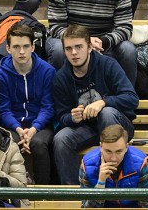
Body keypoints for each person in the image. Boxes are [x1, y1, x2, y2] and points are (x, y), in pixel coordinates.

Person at [52, 25, 139, 186]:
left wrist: (103, 102)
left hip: (119, 126)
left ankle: (115, 184)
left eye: (79, 47)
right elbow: (61, 117)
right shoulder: (60, 78)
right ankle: (73, 196)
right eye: (69, 49)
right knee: (60, 139)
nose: (74, 53)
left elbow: (132, 99)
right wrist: (72, 117)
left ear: (90, 47)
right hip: (87, 128)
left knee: (106, 113)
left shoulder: (108, 65)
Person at [0, 24, 56, 184]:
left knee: (39, 144)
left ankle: (44, 194)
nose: (21, 52)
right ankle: (13, 193)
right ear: (8, 49)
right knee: (10, 144)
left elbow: (48, 106)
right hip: (13, 126)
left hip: (41, 125)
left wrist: (34, 129)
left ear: (33, 47)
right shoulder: (0, 75)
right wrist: (19, 130)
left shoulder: (47, 71)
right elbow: (3, 110)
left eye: (25, 46)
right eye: (16, 47)